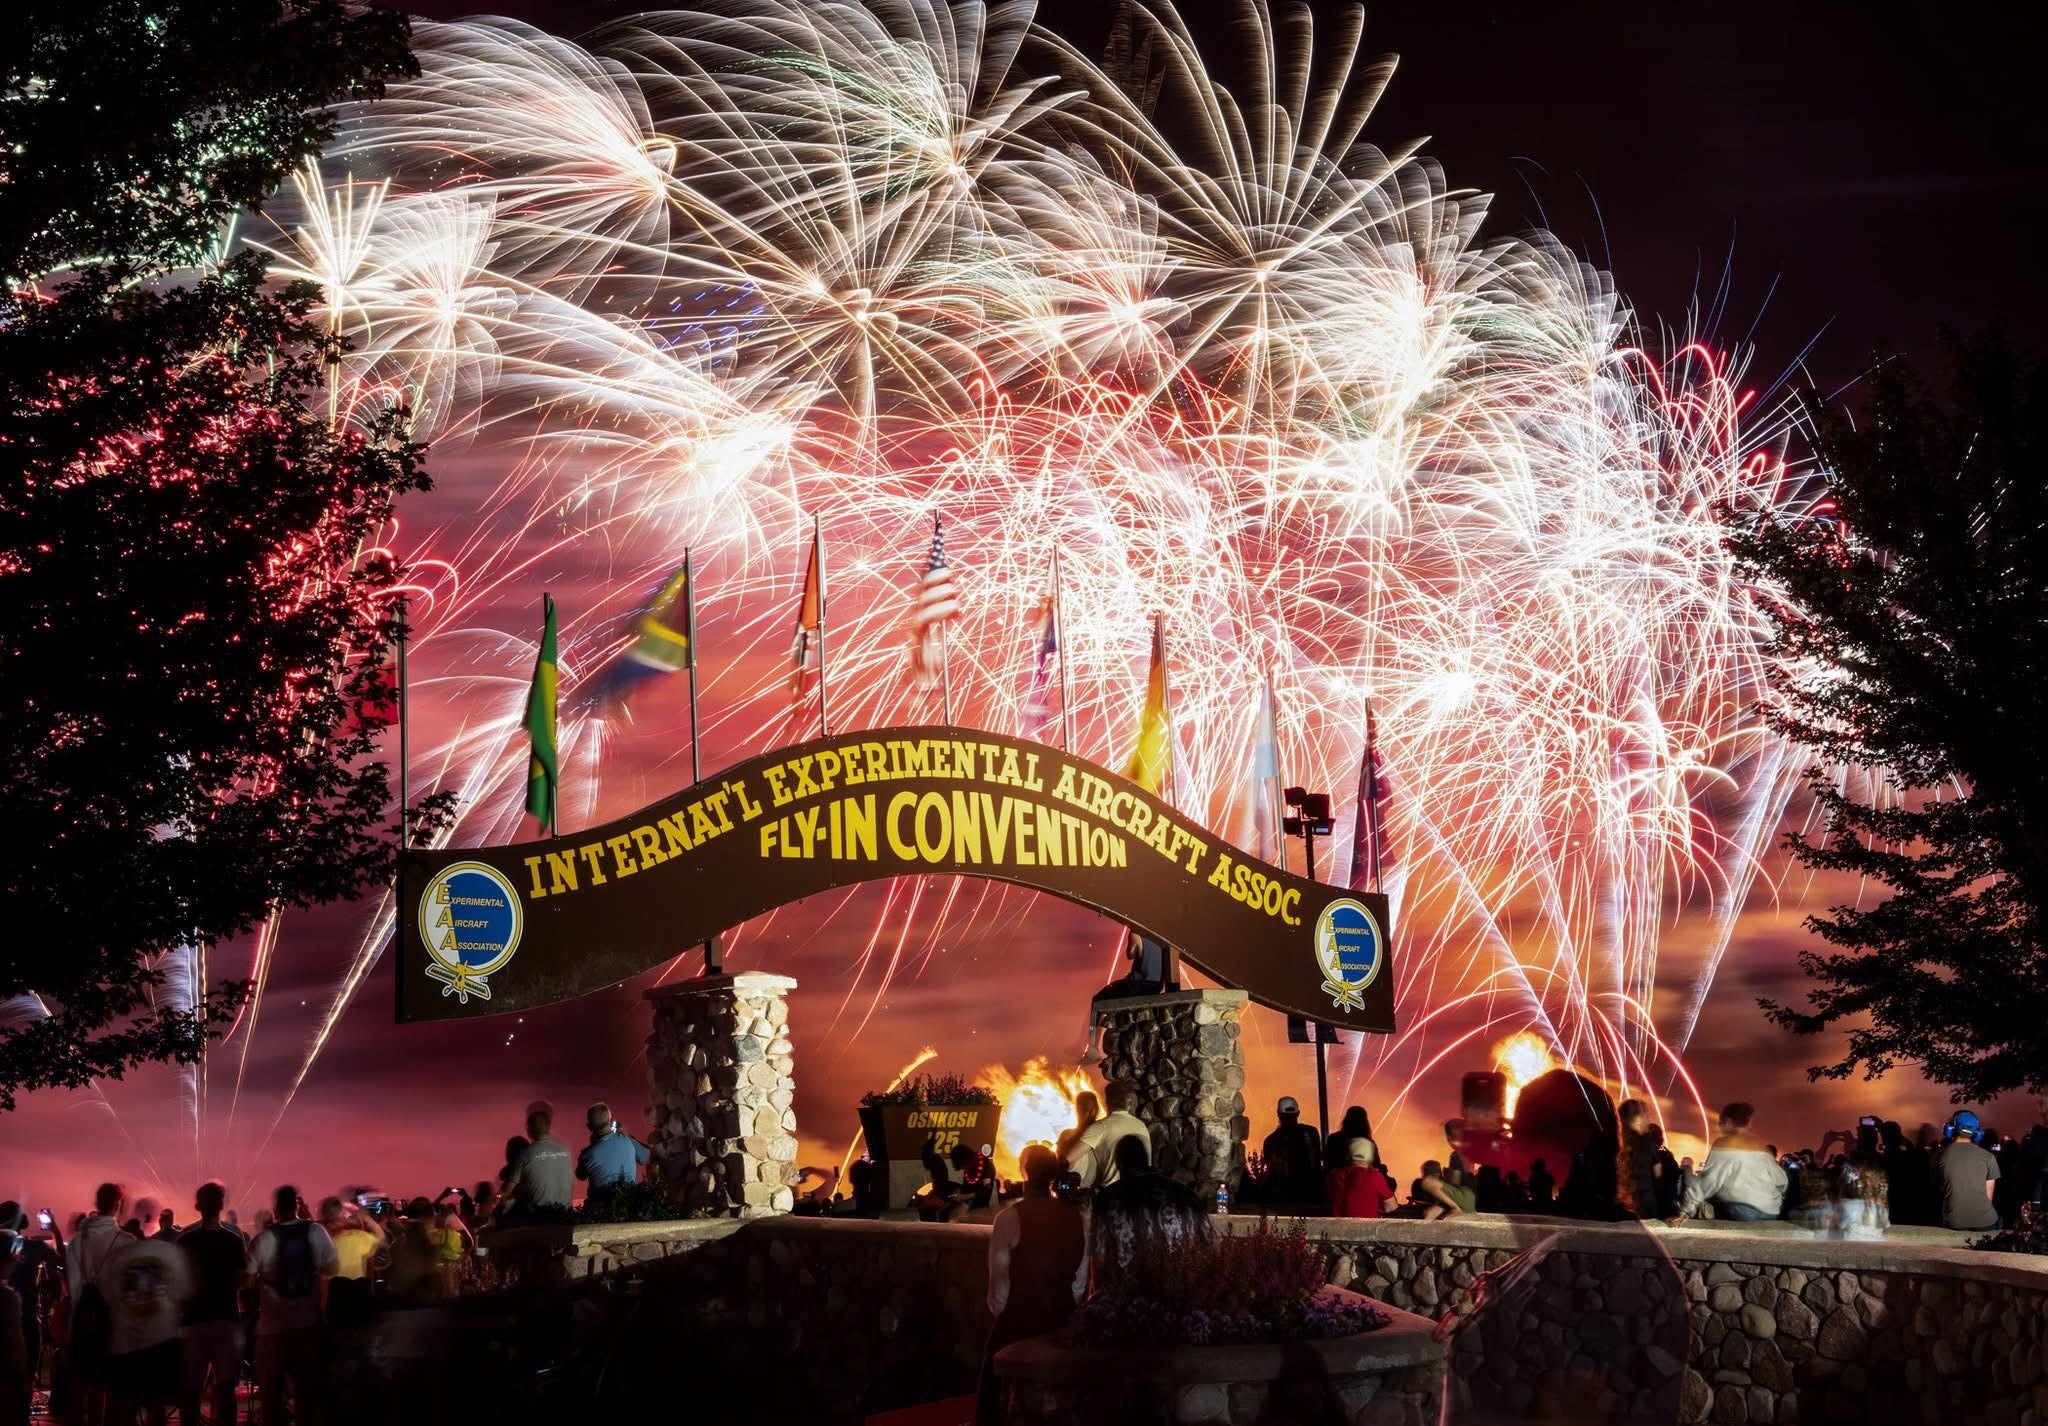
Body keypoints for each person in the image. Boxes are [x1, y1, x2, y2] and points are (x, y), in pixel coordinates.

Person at [977, 1145, 1086, 1425]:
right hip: (1061, 1317)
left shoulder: (1010, 1219)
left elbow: (999, 1284)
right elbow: (1080, 1277)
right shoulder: (1078, 1218)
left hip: (1019, 1320)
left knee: (992, 1389)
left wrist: (1004, 1314)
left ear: (1025, 1172)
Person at [250, 1186, 337, 1426]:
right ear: (296, 1207)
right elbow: (332, 1268)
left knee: (270, 1398)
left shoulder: (265, 1237)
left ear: (276, 1210)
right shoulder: (316, 1231)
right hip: (308, 1324)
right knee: (306, 1395)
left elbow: (247, 1282)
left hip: (272, 1328)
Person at [99, 1213, 193, 1426]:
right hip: (162, 1341)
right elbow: (182, 1294)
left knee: (124, 1407)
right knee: (157, 1405)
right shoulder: (168, 1252)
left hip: (126, 1345)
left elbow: (107, 1299)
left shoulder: (115, 1259)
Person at [1089, 1137, 1208, 1290]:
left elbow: (1099, 1258)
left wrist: (1097, 1301)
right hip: (1179, 1295)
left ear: (1118, 1165)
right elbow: (1209, 1244)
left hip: (1128, 1298)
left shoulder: (1107, 1199)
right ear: (1147, 1161)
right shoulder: (1186, 1195)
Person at [177, 1182, 246, 1426]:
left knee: (191, 1390)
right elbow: (241, 1281)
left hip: (193, 1321)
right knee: (225, 1388)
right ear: (222, 1206)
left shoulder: (184, 1241)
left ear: (197, 1207)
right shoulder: (234, 1241)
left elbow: (178, 1284)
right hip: (225, 1319)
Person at [1671, 1102, 1785, 1224]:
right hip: (1771, 1212)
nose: (1720, 1128)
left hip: (1742, 1211)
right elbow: (1782, 1182)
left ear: (1729, 1122)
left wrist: (1685, 1211)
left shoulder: (1725, 1144)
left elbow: (1709, 1181)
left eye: (1721, 1124)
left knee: (1712, 1198)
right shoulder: (1762, 1147)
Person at [0, 1205, 59, 1400]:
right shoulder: (35, 1247)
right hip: (27, 1319)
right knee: (26, 1377)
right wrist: (54, 1228)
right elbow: (62, 1261)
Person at [1065, 1080, 1151, 1192]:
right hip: (1144, 1191)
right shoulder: (1141, 1125)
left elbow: (1068, 1159)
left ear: (1107, 1102)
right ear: (1127, 1103)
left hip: (1114, 1194)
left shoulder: (1100, 1127)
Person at [1934, 1111, 2001, 1233]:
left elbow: (1939, 1189)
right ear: (1977, 1132)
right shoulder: (1989, 1157)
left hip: (1954, 1221)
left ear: (1950, 1128)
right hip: (1985, 1221)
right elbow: (1988, 1197)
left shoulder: (1939, 1157)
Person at [501, 1106, 574, 1216]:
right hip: (566, 1215)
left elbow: (505, 1192)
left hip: (539, 1218)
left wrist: (498, 1200)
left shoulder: (525, 1155)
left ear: (529, 1130)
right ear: (549, 1127)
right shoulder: (565, 1151)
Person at [320, 1198, 381, 1327]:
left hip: (337, 1304)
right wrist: (365, 1218)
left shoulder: (326, 1245)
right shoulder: (359, 1237)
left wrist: (323, 1310)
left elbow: (324, 1283)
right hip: (359, 1299)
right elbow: (381, 1237)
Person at [1259, 1097, 1324, 1205]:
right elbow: (1316, 1163)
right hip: (1311, 1194)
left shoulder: (1270, 1140)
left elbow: (1272, 1171)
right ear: (1298, 1113)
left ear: (1278, 1114)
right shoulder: (1311, 1132)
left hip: (1282, 1199)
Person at [577, 1101, 651, 1194]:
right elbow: (646, 1156)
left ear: (589, 1127)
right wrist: (629, 1136)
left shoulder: (587, 1155)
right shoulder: (627, 1140)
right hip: (629, 1204)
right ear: (611, 1121)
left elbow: (580, 1175)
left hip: (600, 1207)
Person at [1326, 1137, 1397, 1218]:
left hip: (1336, 1229)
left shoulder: (1333, 1175)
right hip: (1367, 1229)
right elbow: (1391, 1207)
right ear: (1371, 1156)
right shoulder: (1375, 1177)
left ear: (1347, 1155)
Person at [1615, 1100, 1660, 1218]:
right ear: (1638, 1119)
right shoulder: (1647, 1145)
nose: (1649, 1120)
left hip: (1619, 1207)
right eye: (1646, 1115)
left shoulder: (1615, 1144)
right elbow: (1659, 1178)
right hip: (1644, 1208)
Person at [1054, 1091, 1101, 1165]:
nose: (1088, 1113)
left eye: (1089, 1110)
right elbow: (1058, 1161)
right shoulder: (1066, 1135)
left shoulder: (1100, 1132)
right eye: (1084, 1109)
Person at [1323, 1106, 1374, 1173]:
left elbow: (1328, 1162)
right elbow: (1375, 1164)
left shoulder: (1333, 1138)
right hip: (1364, 1181)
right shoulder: (1368, 1143)